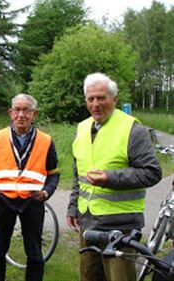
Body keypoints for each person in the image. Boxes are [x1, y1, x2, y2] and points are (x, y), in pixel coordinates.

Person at [66, 72, 162, 281]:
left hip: (121, 228)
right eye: (91, 99)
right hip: (88, 223)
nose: (95, 104)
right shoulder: (82, 128)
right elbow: (78, 174)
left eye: (101, 98)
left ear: (114, 100)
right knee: (89, 277)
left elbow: (152, 172)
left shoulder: (132, 129)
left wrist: (110, 178)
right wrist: (73, 206)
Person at [0, 93, 60, 281]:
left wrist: (46, 192)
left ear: (34, 114)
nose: (21, 115)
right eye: (17, 109)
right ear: (10, 112)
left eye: (26, 110)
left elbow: (53, 173)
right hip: (2, 201)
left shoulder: (46, 140)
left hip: (32, 201)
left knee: (35, 254)